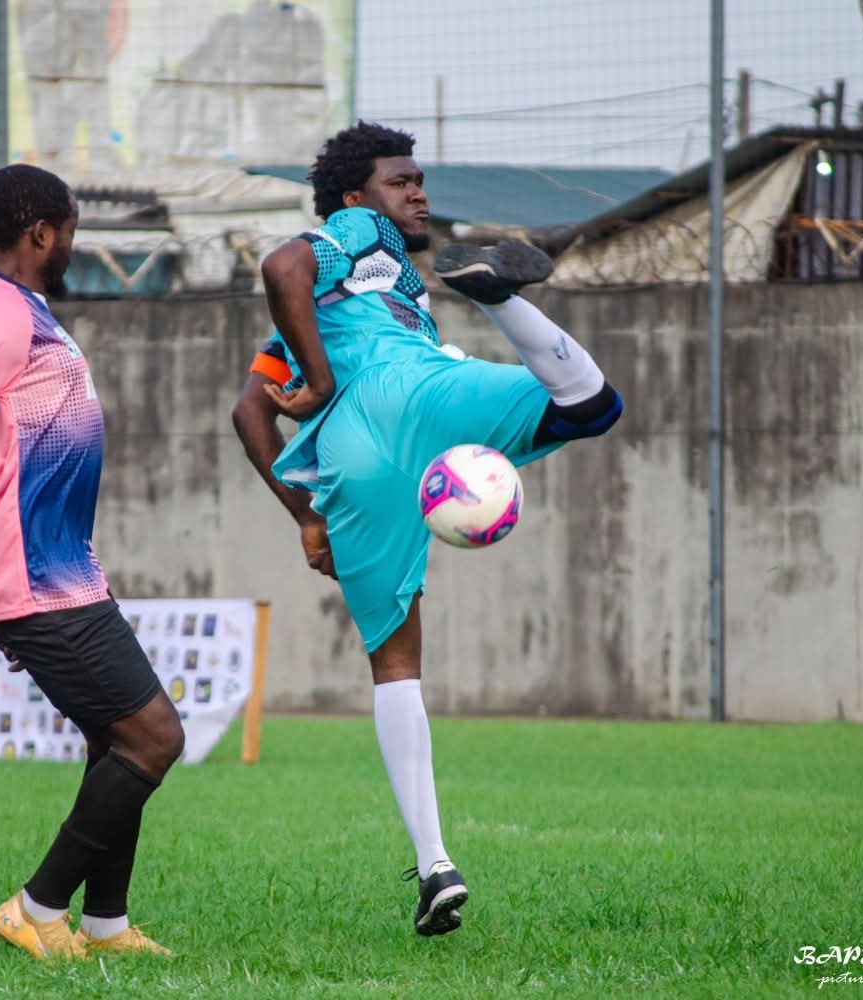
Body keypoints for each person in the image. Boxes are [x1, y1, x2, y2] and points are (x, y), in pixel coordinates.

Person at [232, 121, 623, 937]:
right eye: (401, 181)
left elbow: (248, 410)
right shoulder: (358, 231)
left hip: (357, 458)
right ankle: (499, 297)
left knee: (396, 664)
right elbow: (282, 265)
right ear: (353, 195)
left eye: (419, 182)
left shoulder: (328, 311)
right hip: (415, 393)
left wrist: (307, 517)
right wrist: (327, 378)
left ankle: (436, 864)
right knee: (589, 403)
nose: (418, 194)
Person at [0, 163, 183, 963]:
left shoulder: (23, 310)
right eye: (71, 234)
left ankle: (105, 924)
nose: (72, 248)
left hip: (59, 567)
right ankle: (36, 907)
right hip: (28, 572)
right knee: (153, 738)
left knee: (115, 738)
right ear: (42, 234)